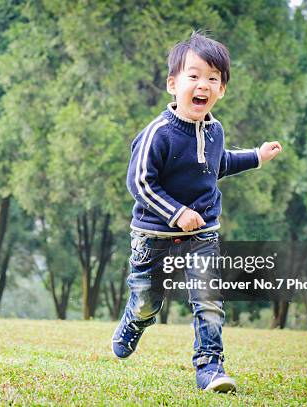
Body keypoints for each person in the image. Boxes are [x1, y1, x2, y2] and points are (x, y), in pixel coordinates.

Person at [111, 31, 282, 393]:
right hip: (154, 237)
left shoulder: (216, 130)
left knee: (208, 299)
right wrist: (176, 213)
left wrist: (257, 156)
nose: (202, 84)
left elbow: (218, 164)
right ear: (173, 84)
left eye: (212, 78)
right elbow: (139, 183)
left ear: (221, 90)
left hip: (202, 236)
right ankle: (134, 319)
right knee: (147, 301)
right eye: (193, 76)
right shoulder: (158, 133)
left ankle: (209, 367)